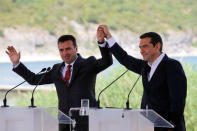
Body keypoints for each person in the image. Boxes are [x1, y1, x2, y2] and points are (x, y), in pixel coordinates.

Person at [6, 33, 112, 131]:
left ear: (76, 48)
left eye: (68, 49)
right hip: (64, 124)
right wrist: (17, 63)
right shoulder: (56, 69)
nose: (65, 53)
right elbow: (34, 79)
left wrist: (102, 42)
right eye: (61, 50)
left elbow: (107, 61)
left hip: (86, 124)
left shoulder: (89, 63)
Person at [97, 25, 187, 131]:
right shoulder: (144, 66)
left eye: (145, 46)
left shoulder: (172, 65)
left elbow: (178, 100)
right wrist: (108, 37)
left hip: (168, 128)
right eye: (140, 47)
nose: (141, 50)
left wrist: (172, 125)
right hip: (147, 126)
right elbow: (124, 58)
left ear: (157, 46)